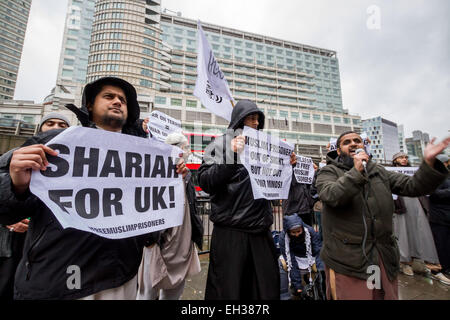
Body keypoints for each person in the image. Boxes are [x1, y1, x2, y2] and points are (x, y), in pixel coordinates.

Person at [0, 77, 186, 299]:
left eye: (123, 100)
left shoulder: (145, 154)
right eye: (109, 96)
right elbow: (7, 209)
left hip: (119, 277)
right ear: (89, 104)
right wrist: (16, 185)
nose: (117, 101)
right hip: (58, 277)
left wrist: (173, 177)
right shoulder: (53, 142)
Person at [315, 131, 449, 300]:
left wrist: (428, 163)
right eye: (347, 142)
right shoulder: (328, 172)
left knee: (379, 294)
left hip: (381, 257)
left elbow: (412, 186)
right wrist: (356, 172)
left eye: (357, 140)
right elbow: (331, 195)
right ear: (339, 150)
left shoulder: (378, 171)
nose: (354, 144)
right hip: (349, 261)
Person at [198, 99, 296, 300]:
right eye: (252, 118)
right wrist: (232, 155)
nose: (257, 123)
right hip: (231, 233)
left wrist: (287, 166)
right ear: (240, 120)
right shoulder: (219, 143)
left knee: (264, 289)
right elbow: (206, 181)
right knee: (229, 290)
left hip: (261, 230)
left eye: (258, 119)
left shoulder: (265, 146)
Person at [0, 112, 71, 299]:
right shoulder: (15, 156)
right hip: (12, 243)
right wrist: (9, 221)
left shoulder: (76, 164)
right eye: (50, 123)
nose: (55, 127)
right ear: (40, 129)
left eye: (62, 125)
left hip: (49, 246)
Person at [136, 132, 203, 300]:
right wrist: (149, 240)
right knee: (148, 293)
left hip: (182, 244)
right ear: (177, 149)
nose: (188, 151)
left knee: (174, 293)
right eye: (186, 147)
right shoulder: (155, 174)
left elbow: (191, 208)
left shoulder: (187, 176)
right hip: (158, 244)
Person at [391, 152, 450, 285]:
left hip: (417, 203)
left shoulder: (414, 172)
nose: (404, 159)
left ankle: (426, 262)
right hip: (401, 205)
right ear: (395, 161)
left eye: (406, 157)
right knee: (404, 233)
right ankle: (406, 263)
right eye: (401, 157)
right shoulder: (391, 173)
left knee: (421, 232)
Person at [279, 214, 325, 299]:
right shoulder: (283, 237)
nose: (296, 234)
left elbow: (318, 250)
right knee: (282, 264)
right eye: (293, 232)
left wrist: (321, 270)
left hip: (310, 255)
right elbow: (290, 259)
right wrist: (297, 284)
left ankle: (320, 291)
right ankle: (285, 295)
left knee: (321, 265)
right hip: (294, 257)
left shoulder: (310, 231)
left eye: (298, 231)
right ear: (288, 231)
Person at [429, 154, 450, 281]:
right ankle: (444, 267)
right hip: (439, 217)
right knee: (442, 244)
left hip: (447, 215)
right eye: (446, 162)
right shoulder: (433, 177)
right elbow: (433, 194)